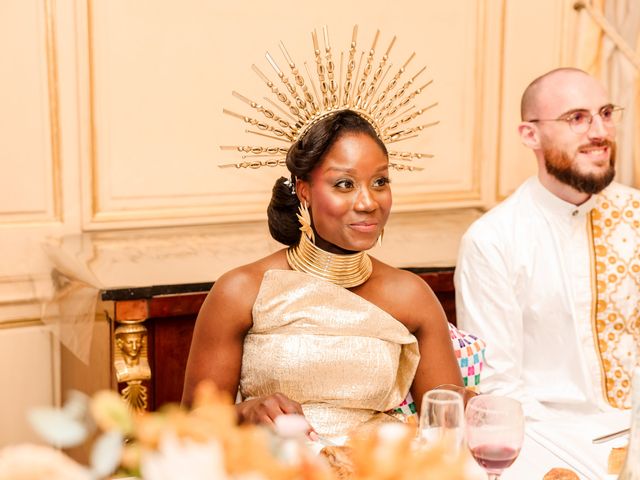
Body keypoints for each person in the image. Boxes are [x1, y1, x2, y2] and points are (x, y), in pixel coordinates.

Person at [182, 110, 466, 440]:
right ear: (304, 191)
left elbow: (447, 423)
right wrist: (246, 412)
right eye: (344, 184)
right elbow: (192, 424)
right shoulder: (241, 290)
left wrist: (470, 408)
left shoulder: (411, 295)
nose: (368, 202)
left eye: (380, 182)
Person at [455, 67, 640, 420]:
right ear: (530, 134)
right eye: (577, 119)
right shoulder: (493, 240)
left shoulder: (636, 215)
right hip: (550, 440)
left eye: (605, 114)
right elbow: (498, 385)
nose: (600, 132)